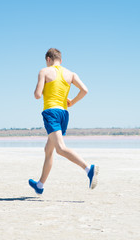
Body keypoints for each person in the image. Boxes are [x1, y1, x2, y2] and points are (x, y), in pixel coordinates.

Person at [29, 48, 99, 194]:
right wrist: (72, 102)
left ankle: (88, 169)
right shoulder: (70, 73)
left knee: (60, 148)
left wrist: (41, 88)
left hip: (51, 112)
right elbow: (85, 90)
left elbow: (37, 95)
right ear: (60, 60)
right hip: (64, 114)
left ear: (48, 59)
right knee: (48, 150)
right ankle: (40, 185)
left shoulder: (44, 71)